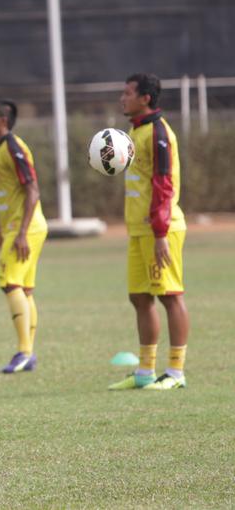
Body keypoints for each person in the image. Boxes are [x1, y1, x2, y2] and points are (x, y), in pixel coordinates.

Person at [109, 73, 189, 391]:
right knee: (140, 297)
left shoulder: (157, 133)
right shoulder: (135, 130)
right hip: (139, 230)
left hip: (161, 230)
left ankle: (176, 372)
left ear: (145, 98)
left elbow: (163, 184)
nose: (121, 98)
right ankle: (144, 372)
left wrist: (159, 233)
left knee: (170, 296)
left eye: (127, 93)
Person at [0, 99, 48, 374]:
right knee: (24, 289)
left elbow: (32, 190)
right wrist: (0, 226)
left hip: (25, 228)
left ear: (3, 120)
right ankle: (27, 354)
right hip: (18, 227)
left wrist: (20, 233)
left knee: (10, 283)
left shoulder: (13, 147)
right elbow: (10, 194)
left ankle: (23, 352)